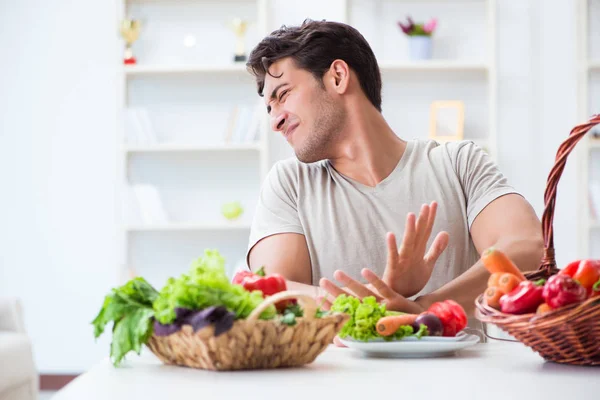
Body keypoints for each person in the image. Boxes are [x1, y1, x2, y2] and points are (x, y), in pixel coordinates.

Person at [243, 19, 543, 317]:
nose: (275, 121)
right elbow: (269, 294)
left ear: (337, 76)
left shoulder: (458, 163)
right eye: (270, 108)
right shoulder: (289, 184)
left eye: (282, 95)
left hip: (458, 367)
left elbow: (529, 249)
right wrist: (387, 298)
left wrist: (425, 309)